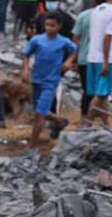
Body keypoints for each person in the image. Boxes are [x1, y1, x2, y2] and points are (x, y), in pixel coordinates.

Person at [21, 13, 78, 143]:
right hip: (36, 79)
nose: (49, 28)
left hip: (51, 81)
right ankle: (59, 120)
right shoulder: (37, 40)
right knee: (38, 109)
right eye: (47, 25)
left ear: (59, 26)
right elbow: (26, 54)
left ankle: (32, 145)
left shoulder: (63, 42)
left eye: (52, 25)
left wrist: (68, 62)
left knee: (39, 115)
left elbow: (74, 50)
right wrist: (25, 69)